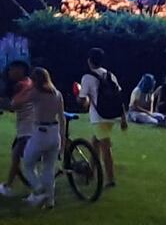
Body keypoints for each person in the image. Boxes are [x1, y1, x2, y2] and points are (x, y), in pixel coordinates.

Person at [12, 67, 66, 209]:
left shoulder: (36, 93)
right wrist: (63, 137)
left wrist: (26, 89)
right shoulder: (57, 94)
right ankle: (50, 201)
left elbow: (15, 104)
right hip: (54, 132)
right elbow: (62, 118)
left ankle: (39, 189)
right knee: (49, 168)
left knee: (28, 164)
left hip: (40, 132)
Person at [78, 47, 127, 188]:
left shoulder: (87, 77)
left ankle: (110, 179)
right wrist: (123, 117)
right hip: (112, 115)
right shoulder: (110, 75)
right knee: (95, 142)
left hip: (98, 117)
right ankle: (91, 171)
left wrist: (79, 97)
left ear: (89, 61)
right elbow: (119, 97)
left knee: (105, 147)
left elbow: (82, 100)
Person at [0, 60, 33, 197]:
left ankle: (9, 187)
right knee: (22, 155)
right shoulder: (29, 83)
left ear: (21, 70)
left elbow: (11, 107)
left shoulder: (21, 86)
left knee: (17, 156)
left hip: (27, 128)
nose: (9, 72)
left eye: (12, 70)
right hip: (33, 125)